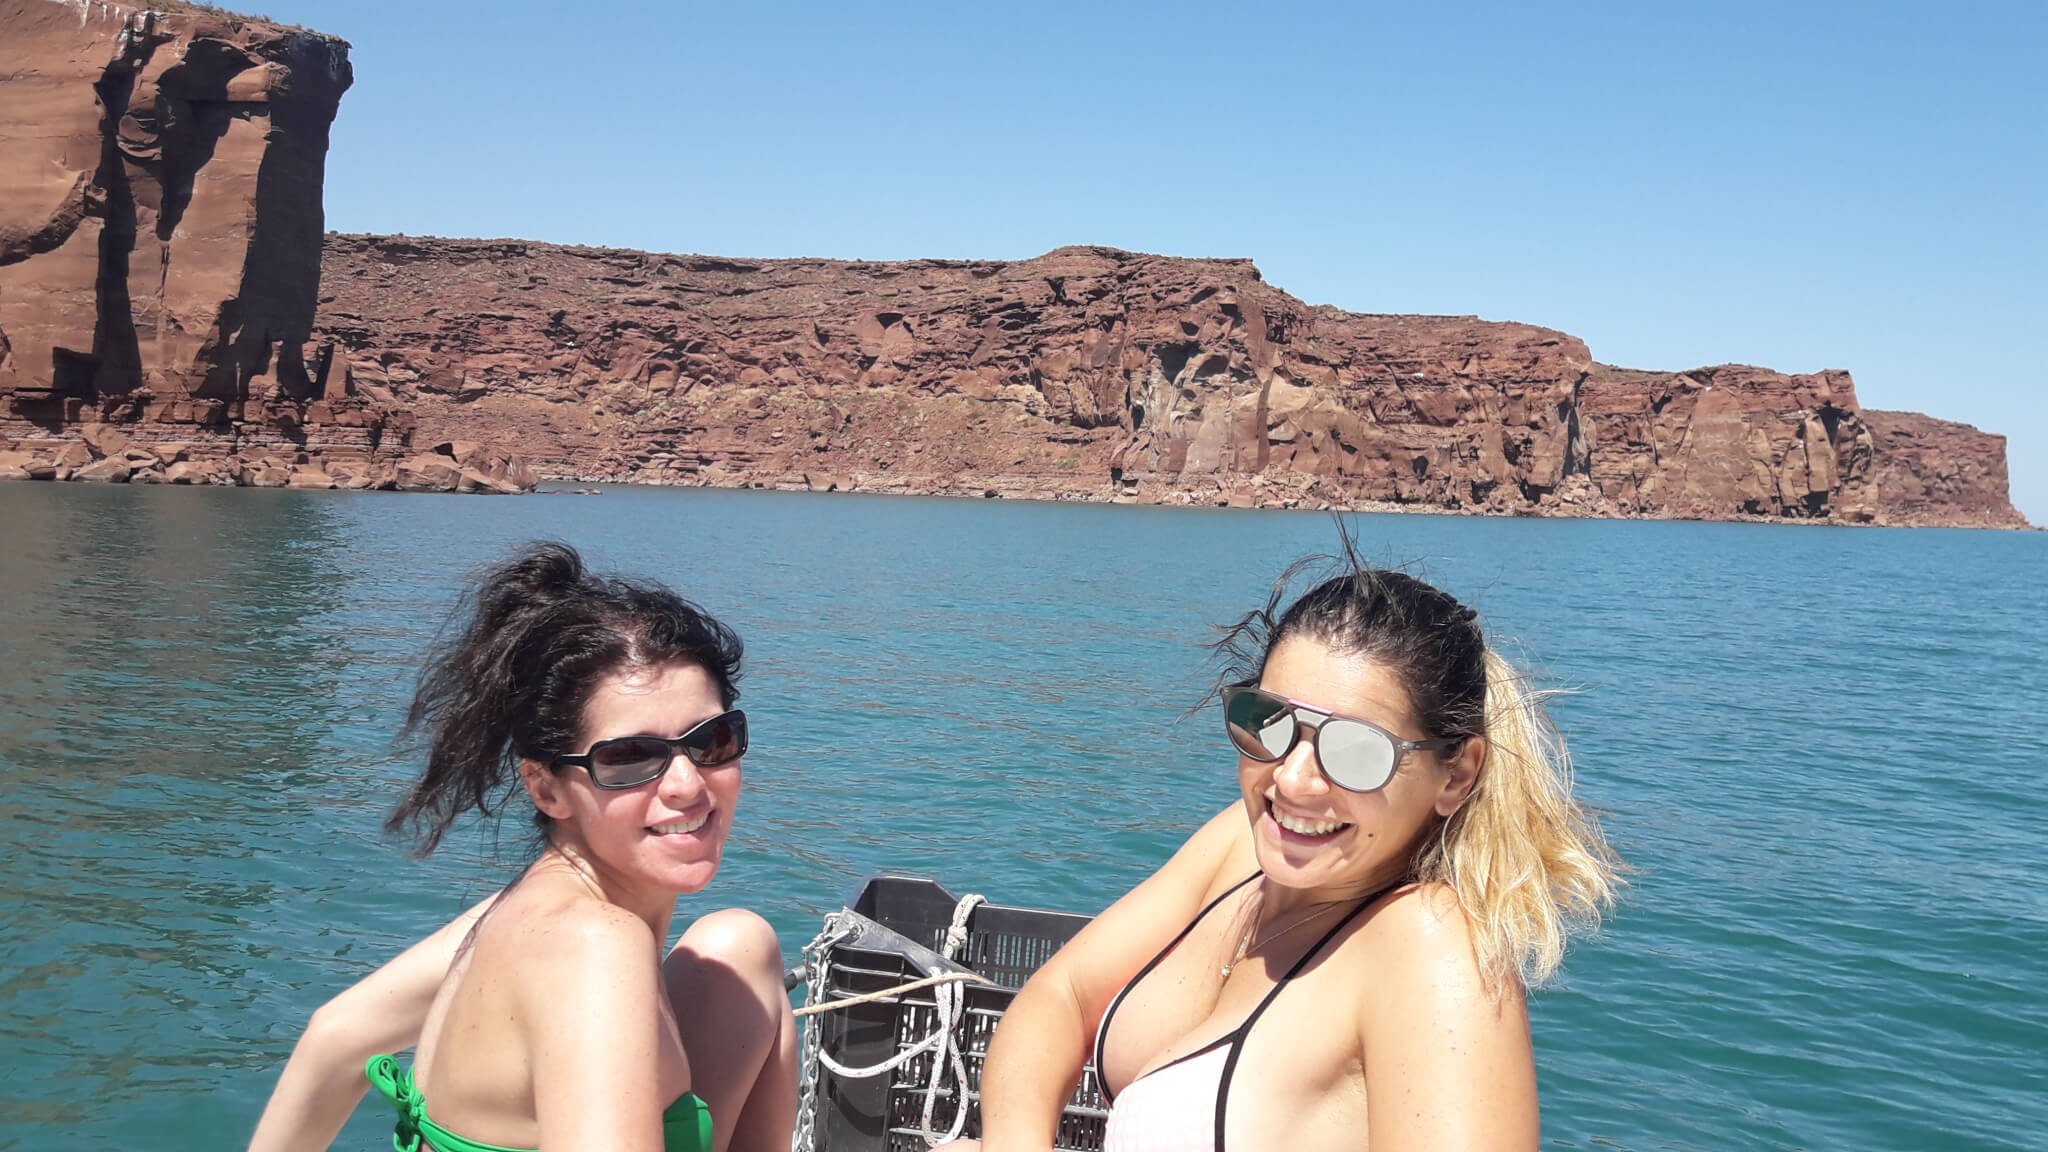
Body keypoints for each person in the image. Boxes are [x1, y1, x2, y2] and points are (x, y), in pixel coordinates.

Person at [959, 559, 1620, 1152]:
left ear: (1456, 775)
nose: (1293, 779)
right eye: (1269, 721)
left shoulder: (1430, 949)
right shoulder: (1242, 846)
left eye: (1356, 751)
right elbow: (1061, 996)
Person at [246, 542, 796, 1152]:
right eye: (630, 758)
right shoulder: (594, 947)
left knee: (741, 948)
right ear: (546, 788)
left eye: (711, 740)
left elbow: (338, 1034)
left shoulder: (522, 911)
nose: (687, 785)